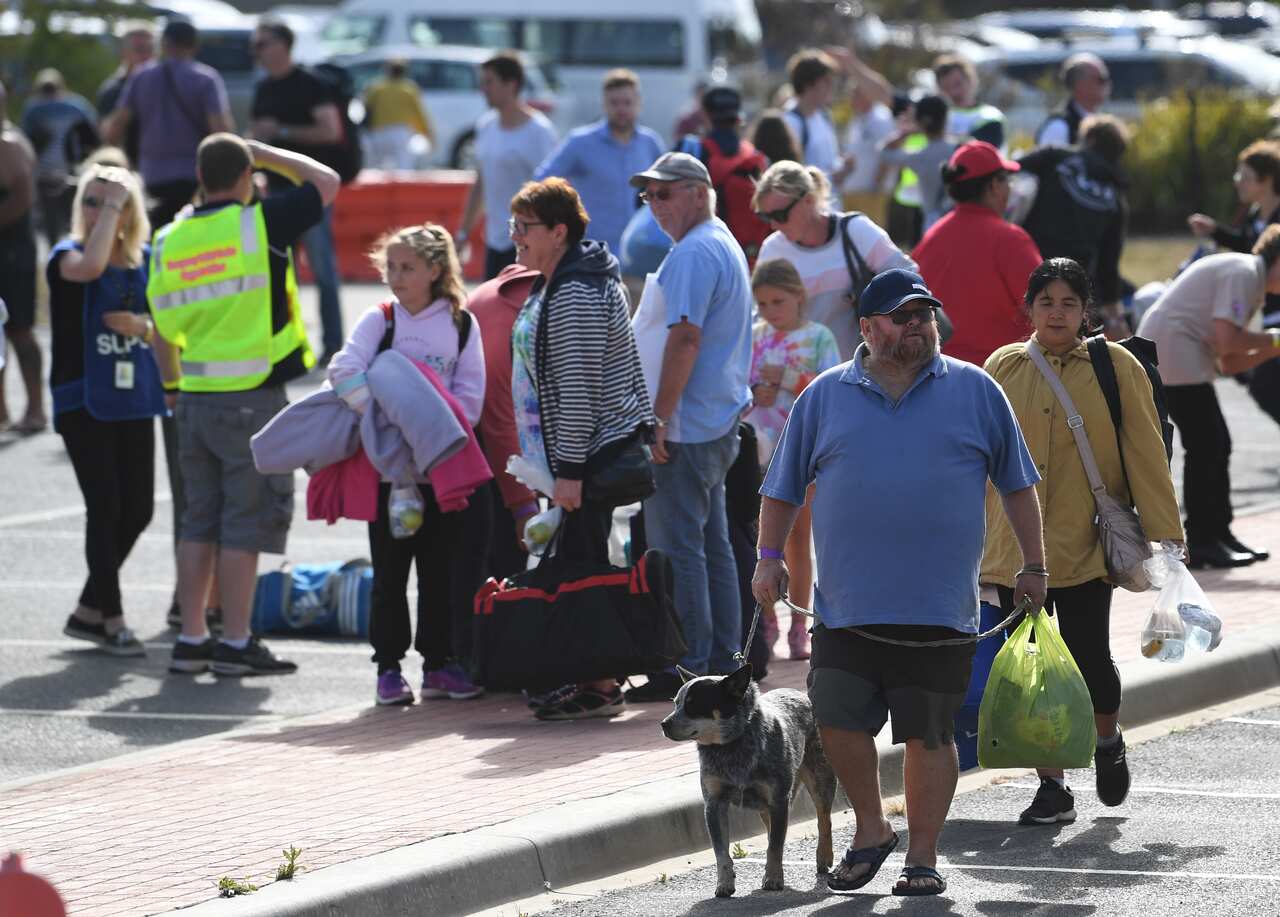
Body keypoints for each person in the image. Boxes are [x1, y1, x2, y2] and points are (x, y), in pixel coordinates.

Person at [752, 268, 1047, 898]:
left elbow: (1018, 485)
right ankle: (870, 827)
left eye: (925, 313)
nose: (918, 324)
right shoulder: (824, 396)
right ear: (866, 327)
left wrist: (1034, 564)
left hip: (940, 608)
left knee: (929, 734)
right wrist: (768, 557)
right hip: (846, 606)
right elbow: (780, 488)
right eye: (902, 315)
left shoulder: (976, 389)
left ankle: (922, 855)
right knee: (836, 722)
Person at [982, 257, 1184, 825]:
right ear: (1029, 308)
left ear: (1085, 310)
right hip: (1017, 550)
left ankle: (1106, 740)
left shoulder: (1114, 366)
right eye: (1046, 302)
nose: (1057, 313)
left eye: (1069, 302)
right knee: (1030, 668)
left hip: (1087, 544)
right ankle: (1053, 786)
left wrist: (1168, 537)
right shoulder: (1003, 366)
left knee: (1090, 655)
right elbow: (976, 454)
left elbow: (1146, 453)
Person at [152, 133, 338, 677]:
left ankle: (190, 640)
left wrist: (171, 386)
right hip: (251, 397)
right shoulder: (257, 223)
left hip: (194, 395)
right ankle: (235, 642)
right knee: (243, 524)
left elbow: (161, 326)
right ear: (243, 175)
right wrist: (266, 152)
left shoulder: (169, 238)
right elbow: (326, 182)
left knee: (196, 521)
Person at [506, 177, 654, 720]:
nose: (515, 236)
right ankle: (592, 676)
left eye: (525, 227)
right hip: (567, 458)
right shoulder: (559, 280)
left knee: (583, 568)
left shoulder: (575, 291)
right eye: (513, 225)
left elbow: (578, 388)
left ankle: (598, 681)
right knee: (580, 561)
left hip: (586, 456)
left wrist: (568, 471)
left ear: (559, 231)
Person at [327, 224, 490, 706]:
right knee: (390, 575)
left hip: (439, 475)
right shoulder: (381, 321)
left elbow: (471, 400)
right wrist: (381, 419)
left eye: (407, 268)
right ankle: (388, 670)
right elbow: (344, 368)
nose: (395, 277)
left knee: (439, 573)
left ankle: (439, 665)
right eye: (390, 267)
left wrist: (431, 430)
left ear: (435, 271)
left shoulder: (461, 324)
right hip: (389, 477)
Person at [625, 152, 752, 703]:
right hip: (713, 419)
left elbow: (685, 339)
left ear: (698, 193)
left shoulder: (696, 251)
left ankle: (694, 668)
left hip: (688, 425)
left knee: (682, 550)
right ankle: (723, 660)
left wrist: (658, 417)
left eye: (664, 193)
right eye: (648, 195)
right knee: (710, 546)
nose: (654, 205)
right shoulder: (715, 242)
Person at [48, 164, 170, 656]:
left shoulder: (145, 261)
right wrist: (112, 209)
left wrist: (142, 328)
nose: (97, 211)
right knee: (105, 507)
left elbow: (167, 325)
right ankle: (112, 619)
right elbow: (92, 268)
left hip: (134, 396)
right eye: (90, 202)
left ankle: (87, 609)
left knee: (138, 509)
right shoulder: (66, 254)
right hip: (84, 399)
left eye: (109, 202)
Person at [1136, 227, 1280, 568]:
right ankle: (1202, 540)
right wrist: (1272, 339)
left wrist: (1272, 346)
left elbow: (1230, 361)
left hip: (1182, 355)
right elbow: (1229, 342)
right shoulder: (1244, 273)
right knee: (1207, 445)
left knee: (1217, 443)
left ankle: (1217, 533)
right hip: (1172, 354)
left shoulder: (1251, 283)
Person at [743, 258, 839, 660]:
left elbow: (831, 388)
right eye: (761, 304)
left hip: (801, 449)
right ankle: (766, 619)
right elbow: (737, 382)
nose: (768, 312)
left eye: (776, 302)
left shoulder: (818, 337)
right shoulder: (752, 334)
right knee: (763, 541)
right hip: (757, 449)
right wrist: (755, 392)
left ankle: (799, 623)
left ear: (799, 297)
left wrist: (788, 381)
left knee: (800, 539)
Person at [251, 18, 347, 364]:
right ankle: (283, 347)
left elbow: (330, 130)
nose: (257, 51)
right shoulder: (263, 88)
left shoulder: (312, 84)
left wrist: (282, 130)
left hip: (312, 193)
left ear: (283, 45)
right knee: (275, 270)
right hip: (273, 193)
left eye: (263, 44)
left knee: (324, 271)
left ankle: (334, 347)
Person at [754, 160, 917, 359]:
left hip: (864, 372)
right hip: (800, 378)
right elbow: (759, 317)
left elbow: (910, 281)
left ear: (809, 200)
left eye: (780, 215)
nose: (773, 224)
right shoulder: (773, 250)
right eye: (765, 217)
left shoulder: (857, 231)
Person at [914, 141, 1042, 366]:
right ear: (994, 185)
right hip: (1001, 375)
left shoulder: (932, 236)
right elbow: (1045, 309)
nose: (1010, 188)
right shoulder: (1011, 239)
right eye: (1006, 180)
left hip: (938, 373)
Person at [103, 21, 236, 233]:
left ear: (164, 44)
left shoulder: (141, 76)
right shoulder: (206, 79)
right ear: (194, 46)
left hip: (152, 176)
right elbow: (221, 132)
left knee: (156, 239)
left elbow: (114, 129)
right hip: (195, 177)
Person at [1187, 140, 1280, 429]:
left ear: (1266, 181)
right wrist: (1216, 231)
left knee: (1263, 383)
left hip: (1273, 316)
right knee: (1258, 380)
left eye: (1245, 176)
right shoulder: (1255, 215)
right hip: (1263, 315)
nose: (1237, 182)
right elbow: (1250, 249)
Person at [1018, 115, 1130, 339]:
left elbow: (1011, 170)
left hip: (1029, 272)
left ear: (1088, 138)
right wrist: (1116, 321)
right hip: (1077, 289)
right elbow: (1109, 267)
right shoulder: (1115, 199)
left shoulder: (1054, 156)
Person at [535, 69, 663, 257]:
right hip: (591, 253)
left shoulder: (650, 143)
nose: (621, 109)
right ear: (604, 105)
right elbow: (542, 181)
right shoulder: (580, 142)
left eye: (627, 103)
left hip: (640, 253)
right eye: (614, 103)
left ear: (639, 104)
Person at [469, 263, 542, 582]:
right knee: (500, 563)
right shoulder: (507, 323)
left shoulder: (555, 303)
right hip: (481, 447)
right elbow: (499, 420)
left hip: (508, 438)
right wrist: (523, 505)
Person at [458, 51, 558, 281]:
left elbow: (551, 191)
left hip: (530, 246)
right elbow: (481, 183)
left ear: (511, 84)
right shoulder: (486, 126)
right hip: (496, 240)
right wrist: (463, 234)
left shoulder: (539, 132)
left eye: (489, 82)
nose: (483, 89)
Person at [676, 86, 771, 267]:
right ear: (738, 118)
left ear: (705, 115)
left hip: (706, 256)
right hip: (752, 260)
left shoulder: (693, 152)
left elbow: (642, 198)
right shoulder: (758, 159)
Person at [0, 80, 44, 435]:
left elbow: (21, 201)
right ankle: (1, 410)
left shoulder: (10, 144)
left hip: (13, 254)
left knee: (19, 331)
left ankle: (36, 409)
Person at [22, 68, 98, 247]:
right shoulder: (78, 107)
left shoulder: (33, 110)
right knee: (74, 221)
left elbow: (26, 144)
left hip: (44, 174)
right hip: (73, 173)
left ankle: (55, 259)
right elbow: (94, 138)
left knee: (51, 226)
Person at [878, 94, 955, 232]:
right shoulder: (961, 148)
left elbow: (884, 152)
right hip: (961, 218)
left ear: (919, 122)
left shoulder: (919, 156)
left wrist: (906, 132)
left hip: (934, 223)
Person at [782, 50, 851, 191]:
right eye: (826, 81)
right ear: (809, 85)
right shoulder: (790, 123)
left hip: (832, 205)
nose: (831, 86)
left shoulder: (825, 115)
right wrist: (833, 177)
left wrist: (843, 166)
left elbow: (830, 162)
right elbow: (791, 177)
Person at [95, 26, 155, 167]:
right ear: (124, 52)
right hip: (125, 170)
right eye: (140, 50)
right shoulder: (112, 90)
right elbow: (106, 137)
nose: (147, 56)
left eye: (150, 50)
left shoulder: (163, 87)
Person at [363, 58, 435, 171]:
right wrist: (427, 133)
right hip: (401, 132)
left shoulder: (376, 88)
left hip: (378, 131)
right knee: (404, 168)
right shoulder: (409, 89)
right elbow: (419, 113)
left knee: (377, 168)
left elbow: (366, 108)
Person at [1036, 53, 1110, 148]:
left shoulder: (1098, 122)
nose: (1106, 84)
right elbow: (1047, 161)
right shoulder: (1058, 126)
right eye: (1101, 79)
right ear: (1081, 84)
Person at [932, 55, 1006, 149]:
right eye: (946, 86)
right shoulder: (935, 118)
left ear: (971, 80)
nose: (954, 92)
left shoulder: (990, 115)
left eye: (957, 84)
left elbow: (983, 151)